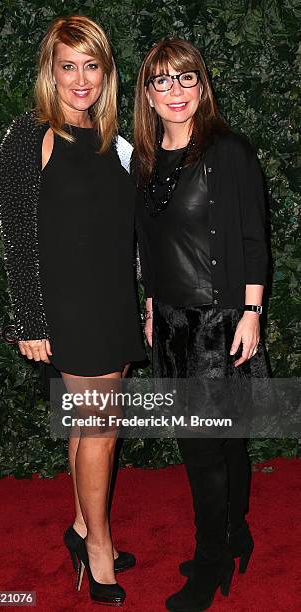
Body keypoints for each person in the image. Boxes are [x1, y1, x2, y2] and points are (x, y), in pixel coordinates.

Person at [0, 15, 145, 607]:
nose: (79, 78)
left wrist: (145, 298)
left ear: (105, 71)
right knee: (101, 431)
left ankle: (82, 527)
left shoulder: (117, 141)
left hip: (114, 301)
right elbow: (17, 236)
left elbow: (128, 234)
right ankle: (100, 548)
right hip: (67, 307)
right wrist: (30, 323)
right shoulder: (29, 135)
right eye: (68, 66)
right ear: (50, 72)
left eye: (91, 65)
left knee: (88, 427)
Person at [133, 38, 270, 611]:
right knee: (222, 441)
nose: (175, 91)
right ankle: (236, 536)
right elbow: (148, 244)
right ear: (146, 93)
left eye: (185, 78)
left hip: (218, 323)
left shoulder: (228, 151)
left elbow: (253, 236)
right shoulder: (144, 158)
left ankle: (212, 562)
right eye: (162, 81)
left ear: (201, 85)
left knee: (206, 447)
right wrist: (148, 306)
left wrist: (251, 313)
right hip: (169, 322)